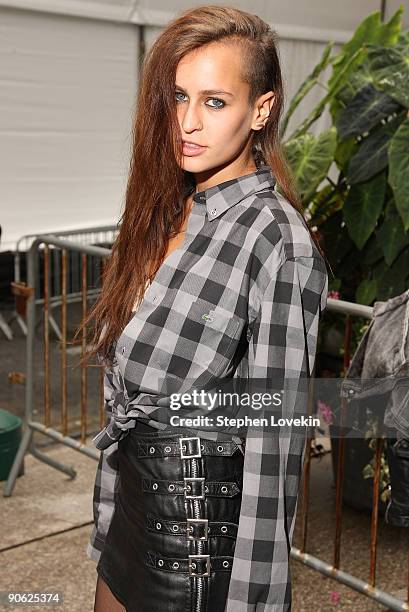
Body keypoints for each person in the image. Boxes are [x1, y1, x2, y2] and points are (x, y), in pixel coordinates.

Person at [76, 5, 328, 611]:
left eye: (215, 102)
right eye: (177, 98)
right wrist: (107, 518)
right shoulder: (170, 211)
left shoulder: (275, 238)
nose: (188, 123)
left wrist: (252, 601)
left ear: (260, 109)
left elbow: (275, 444)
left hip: (197, 552)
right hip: (130, 517)